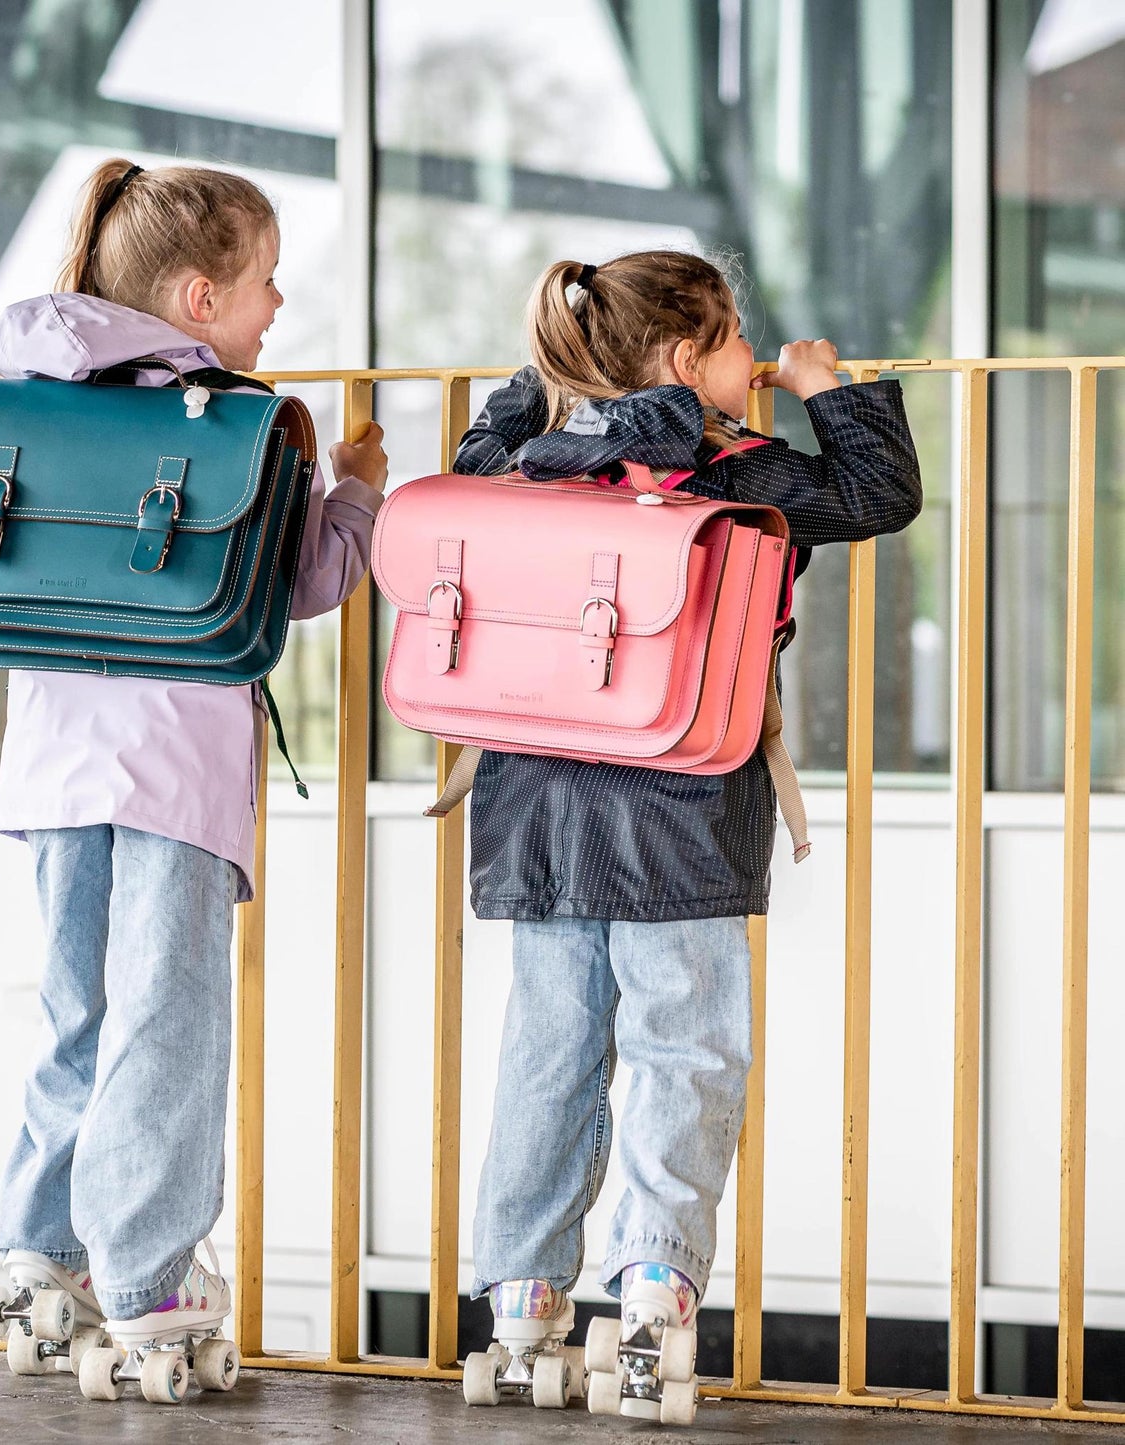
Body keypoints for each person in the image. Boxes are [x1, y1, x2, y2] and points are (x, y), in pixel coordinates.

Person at [453, 251, 921, 1404]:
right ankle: (653, 1281)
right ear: (684, 361)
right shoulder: (723, 460)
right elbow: (876, 494)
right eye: (734, 343)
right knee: (685, 1047)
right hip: (683, 806)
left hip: (536, 808)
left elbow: (470, 454)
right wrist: (823, 387)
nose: (746, 360)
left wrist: (541, 381)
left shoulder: (528, 458)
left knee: (547, 1051)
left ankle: (520, 1293)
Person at [0, 159, 387, 1377]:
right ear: (199, 297)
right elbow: (309, 581)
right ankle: (150, 1274)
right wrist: (358, 490)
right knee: (169, 1020)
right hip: (172, 778)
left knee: (78, 1015)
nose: (280, 307)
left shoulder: (36, 397)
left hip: (52, 764)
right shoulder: (244, 422)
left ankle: (38, 1254)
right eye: (267, 282)